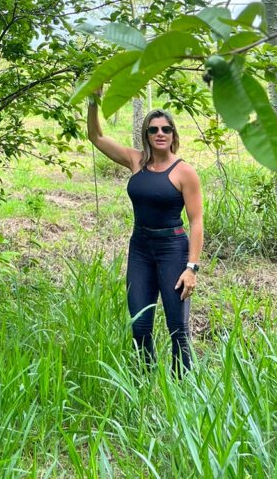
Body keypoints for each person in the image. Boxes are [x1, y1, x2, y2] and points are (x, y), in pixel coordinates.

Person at [86, 93, 203, 373]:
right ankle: (143, 382)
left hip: (172, 249)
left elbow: (196, 220)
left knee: (178, 327)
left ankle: (181, 388)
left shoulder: (184, 171)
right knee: (139, 324)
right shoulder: (135, 161)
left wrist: (192, 268)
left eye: (165, 129)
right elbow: (96, 136)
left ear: (173, 134)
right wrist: (93, 100)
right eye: (153, 129)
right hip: (140, 248)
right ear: (146, 134)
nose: (160, 134)